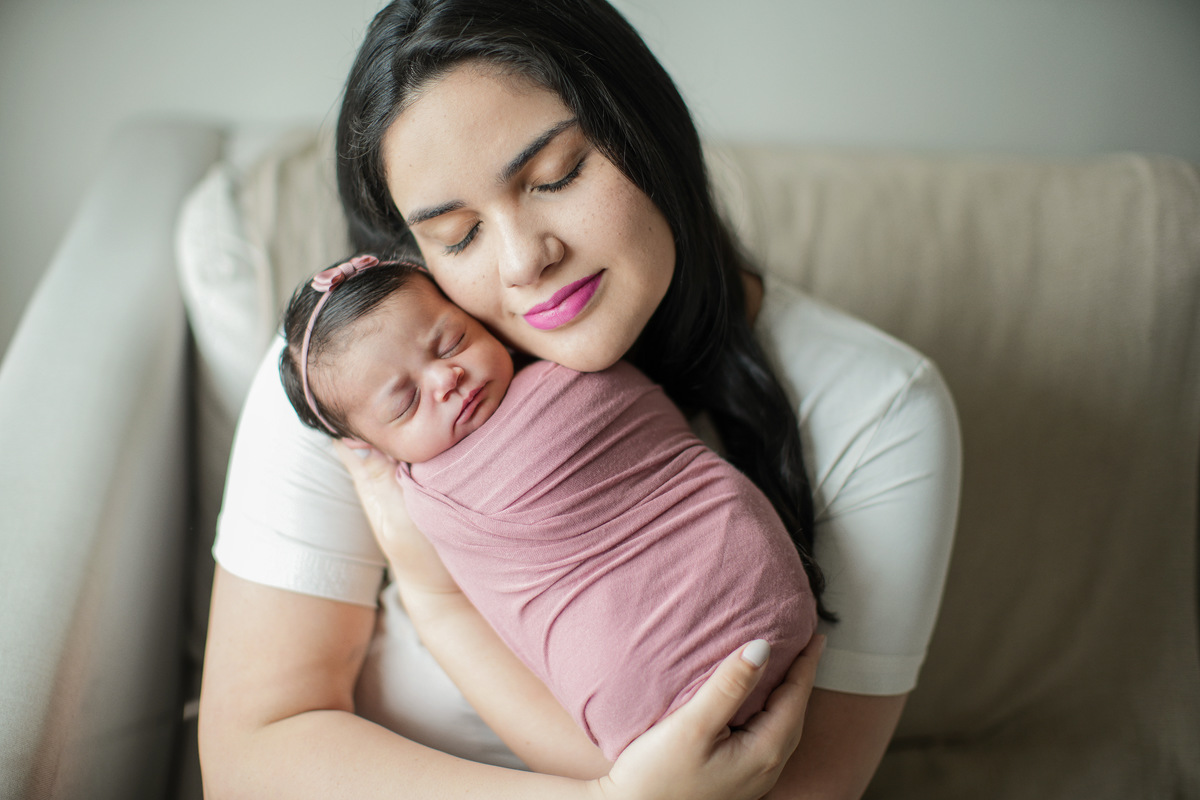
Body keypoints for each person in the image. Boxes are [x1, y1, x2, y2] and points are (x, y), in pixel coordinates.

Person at [198, 1, 961, 797]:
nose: (526, 260)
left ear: (650, 133)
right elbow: (251, 757)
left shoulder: (878, 408)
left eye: (556, 175)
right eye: (458, 236)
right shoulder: (362, 382)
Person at [276, 253, 817, 761]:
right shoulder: (422, 498)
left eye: (452, 342)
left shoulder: (568, 356)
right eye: (406, 401)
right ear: (371, 447)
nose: (446, 379)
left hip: (750, 580)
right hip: (644, 691)